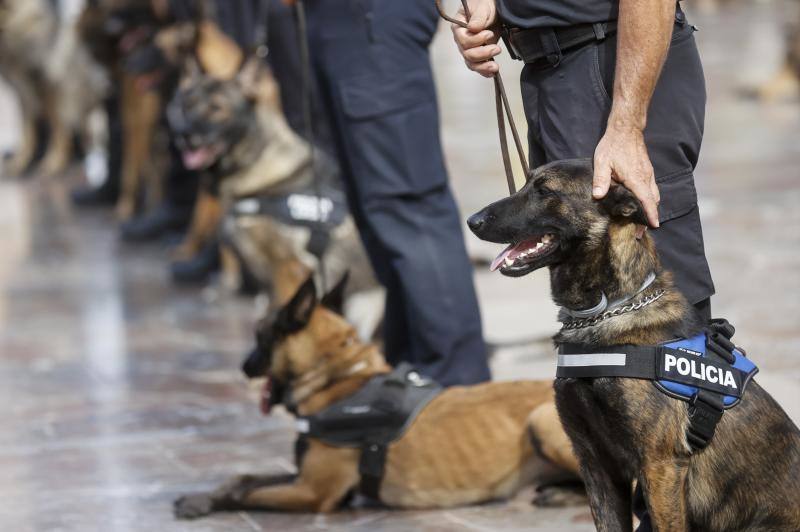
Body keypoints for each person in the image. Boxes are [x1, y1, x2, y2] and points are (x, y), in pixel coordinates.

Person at [451, 0, 714, 323]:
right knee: (588, 308)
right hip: (546, 67)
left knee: (661, 314)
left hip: (618, 60)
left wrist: (627, 125)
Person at [288, 0, 492, 386]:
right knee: (376, 211)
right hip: (336, 20)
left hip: (370, 18)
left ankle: (457, 388)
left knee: (408, 207)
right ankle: (412, 377)